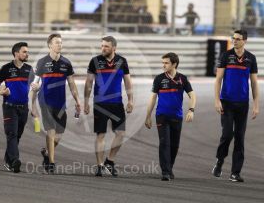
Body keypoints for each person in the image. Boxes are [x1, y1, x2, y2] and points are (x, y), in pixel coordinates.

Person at [212, 30, 259, 182]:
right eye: (233, 38)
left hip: (242, 104)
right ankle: (219, 160)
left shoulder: (251, 58)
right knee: (227, 134)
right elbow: (218, 79)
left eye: (238, 39)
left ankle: (235, 173)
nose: (234, 41)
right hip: (226, 102)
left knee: (240, 137)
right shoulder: (226, 56)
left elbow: (254, 83)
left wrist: (256, 104)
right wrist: (217, 100)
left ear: (245, 40)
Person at [84, 36, 133, 177]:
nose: (103, 48)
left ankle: (110, 162)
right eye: (102, 46)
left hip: (117, 103)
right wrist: (86, 101)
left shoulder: (122, 61)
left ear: (114, 48)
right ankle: (99, 165)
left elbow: (128, 82)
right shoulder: (95, 61)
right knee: (101, 134)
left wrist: (130, 100)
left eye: (106, 46)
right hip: (100, 104)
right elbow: (88, 83)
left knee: (121, 133)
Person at [31, 33, 81, 174]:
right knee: (51, 131)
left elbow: (72, 84)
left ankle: (47, 152)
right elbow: (35, 84)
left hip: (61, 103)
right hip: (45, 101)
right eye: (56, 42)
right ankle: (51, 162)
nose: (59, 45)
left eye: (61, 42)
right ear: (50, 45)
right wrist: (33, 105)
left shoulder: (66, 63)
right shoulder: (41, 62)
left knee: (59, 134)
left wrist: (77, 101)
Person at [145, 52, 196, 181]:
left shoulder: (182, 79)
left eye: (166, 63)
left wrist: (191, 110)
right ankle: (165, 172)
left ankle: (169, 167)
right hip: (161, 116)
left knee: (174, 146)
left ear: (174, 64)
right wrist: (148, 116)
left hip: (177, 117)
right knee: (164, 143)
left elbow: (193, 95)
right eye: (162, 63)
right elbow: (152, 98)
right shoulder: (159, 79)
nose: (163, 65)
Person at [0, 42, 34, 173]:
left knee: (17, 136)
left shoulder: (29, 69)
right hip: (9, 107)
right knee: (12, 134)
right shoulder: (6, 68)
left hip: (24, 108)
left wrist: (37, 89)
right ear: (16, 53)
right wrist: (1, 92)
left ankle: (8, 160)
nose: (27, 54)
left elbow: (34, 88)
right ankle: (15, 160)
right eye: (24, 52)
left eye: (27, 52)